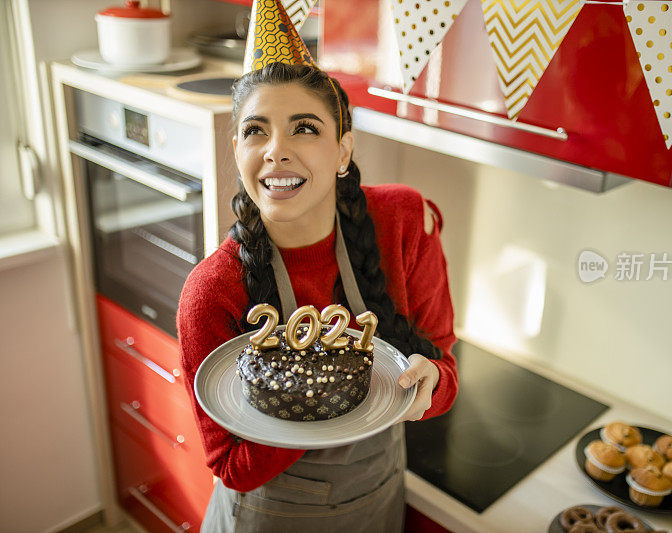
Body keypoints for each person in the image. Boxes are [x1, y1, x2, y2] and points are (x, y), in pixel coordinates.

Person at [176, 60, 459, 532]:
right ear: (237, 150)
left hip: (378, 500)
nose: (276, 151)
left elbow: (444, 367)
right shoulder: (211, 292)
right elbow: (232, 467)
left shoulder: (403, 223)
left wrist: (433, 381)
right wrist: (325, 400)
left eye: (304, 128)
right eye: (255, 131)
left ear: (343, 150)